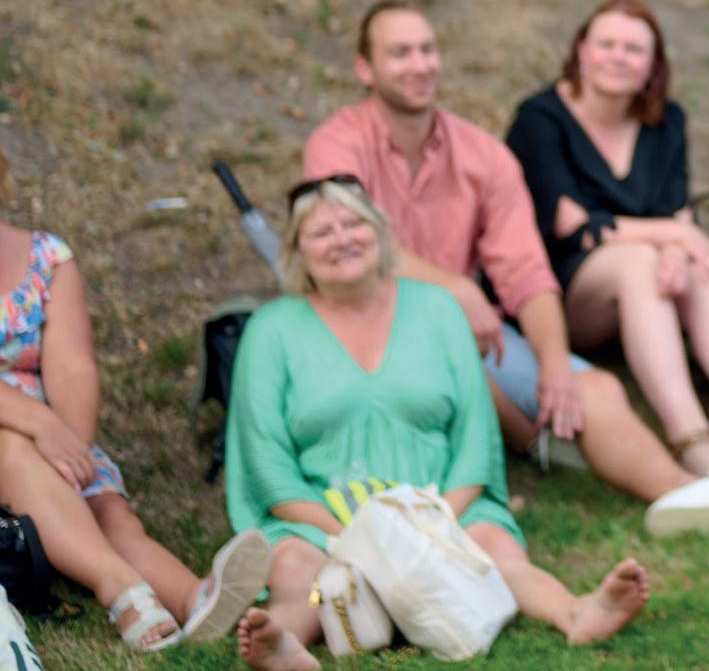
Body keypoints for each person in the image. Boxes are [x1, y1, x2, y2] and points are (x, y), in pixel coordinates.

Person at [303, 1, 709, 535]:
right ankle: (524, 442)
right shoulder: (337, 146)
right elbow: (350, 247)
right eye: (400, 53)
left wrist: (555, 361)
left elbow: (526, 272)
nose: (420, 65)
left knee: (595, 389)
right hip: (370, 329)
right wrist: (455, 289)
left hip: (470, 331)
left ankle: (687, 496)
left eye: (428, 50)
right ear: (365, 68)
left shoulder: (483, 155)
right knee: (460, 365)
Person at [225, 177, 651, 671]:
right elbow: (266, 461)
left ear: (380, 232)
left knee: (496, 552)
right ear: (297, 251)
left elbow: (475, 435)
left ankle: (575, 611)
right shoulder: (271, 330)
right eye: (322, 232)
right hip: (327, 510)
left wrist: (436, 520)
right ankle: (285, 642)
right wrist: (353, 534)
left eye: (353, 224)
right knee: (298, 570)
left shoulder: (438, 309)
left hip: (439, 502)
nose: (342, 239)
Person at [507, 0, 709, 486]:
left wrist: (681, 251)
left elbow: (676, 209)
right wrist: (674, 236)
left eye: (634, 49)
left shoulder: (667, 122)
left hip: (646, 282)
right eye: (607, 44)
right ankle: (693, 443)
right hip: (560, 295)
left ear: (653, 65)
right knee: (639, 260)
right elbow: (571, 224)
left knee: (697, 271)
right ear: (581, 51)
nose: (618, 57)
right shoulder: (540, 119)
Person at [0, 220, 272, 651]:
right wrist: (41, 424)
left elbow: (72, 369)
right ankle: (120, 588)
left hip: (47, 438)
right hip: (20, 436)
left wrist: (72, 446)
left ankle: (195, 598)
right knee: (10, 445)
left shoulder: (46, 257)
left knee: (111, 514)